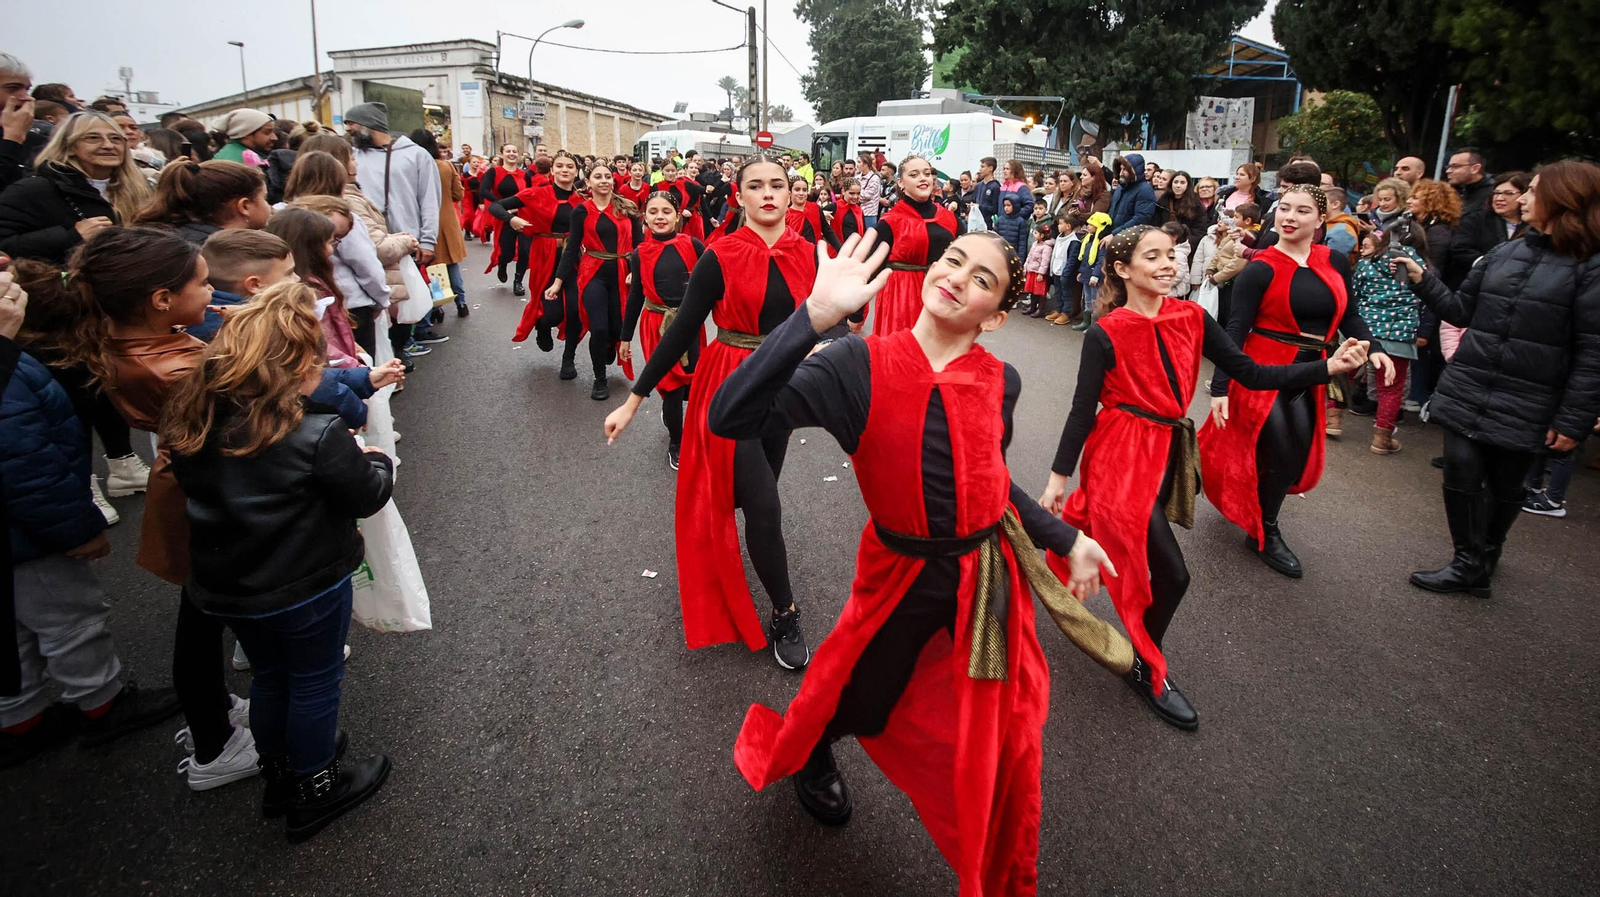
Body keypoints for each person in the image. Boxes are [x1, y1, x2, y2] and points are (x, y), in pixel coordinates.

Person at [714, 230, 1129, 892]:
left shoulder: (1003, 379)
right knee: (865, 695)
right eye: (953, 260)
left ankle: (995, 858)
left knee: (1007, 729)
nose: (961, 276)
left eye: (984, 279)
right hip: (899, 577)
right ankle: (814, 751)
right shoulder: (854, 363)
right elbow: (730, 415)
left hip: (987, 576)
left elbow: (988, 477)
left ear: (995, 316)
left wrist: (1064, 536)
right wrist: (812, 318)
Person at [1039, 225, 1366, 730]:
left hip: (1166, 448)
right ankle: (1147, 665)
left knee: (1148, 559)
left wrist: (1326, 370)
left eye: (1172, 254)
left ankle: (1112, 623)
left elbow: (1251, 373)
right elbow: (1082, 411)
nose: (1170, 264)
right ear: (1123, 270)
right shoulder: (1107, 331)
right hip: (1119, 457)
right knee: (1173, 573)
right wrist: (1059, 477)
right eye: (1154, 257)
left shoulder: (1192, 316)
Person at [162, 282, 394, 841]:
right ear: (293, 367)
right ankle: (315, 787)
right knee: (315, 681)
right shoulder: (316, 434)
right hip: (306, 583)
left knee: (271, 676)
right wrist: (379, 459)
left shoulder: (197, 421)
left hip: (227, 584)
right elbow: (365, 493)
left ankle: (278, 772)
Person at [45, 226, 258, 786]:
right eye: (205, 285)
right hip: (209, 496)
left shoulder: (140, 339)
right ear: (162, 300)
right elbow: (246, 410)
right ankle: (216, 743)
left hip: (187, 487)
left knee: (203, 614)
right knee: (203, 618)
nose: (213, 296)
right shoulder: (172, 368)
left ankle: (211, 710)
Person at [603, 158, 826, 670]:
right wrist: (634, 400)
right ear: (738, 196)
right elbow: (681, 330)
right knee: (766, 505)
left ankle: (742, 548)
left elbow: (828, 320)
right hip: (731, 385)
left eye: (777, 185)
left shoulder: (811, 254)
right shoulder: (719, 254)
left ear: (791, 195)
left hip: (785, 387)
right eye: (756, 186)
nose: (768, 194)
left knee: (758, 493)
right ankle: (785, 610)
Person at [1, 269, 184, 768]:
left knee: (16, 628)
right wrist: (77, 530)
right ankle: (103, 701)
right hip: (34, 537)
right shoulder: (10, 373)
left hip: (21, 534)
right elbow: (27, 469)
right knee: (70, 620)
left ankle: (20, 717)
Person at [1393, 161, 1600, 599]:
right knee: (1461, 472)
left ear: (1565, 200)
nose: (1522, 198)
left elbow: (1592, 351)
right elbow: (1461, 311)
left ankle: (1488, 552)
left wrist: (1573, 419)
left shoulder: (1590, 268)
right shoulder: (1504, 253)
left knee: (1508, 487)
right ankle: (1468, 562)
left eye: (1533, 191)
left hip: (1532, 396)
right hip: (1471, 384)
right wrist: (1424, 281)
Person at [1199, 184, 1394, 579]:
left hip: (1317, 370)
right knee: (1282, 451)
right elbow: (1234, 331)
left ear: (1321, 219)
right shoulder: (1260, 268)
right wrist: (1221, 386)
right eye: (1284, 208)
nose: (1289, 217)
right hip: (1262, 371)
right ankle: (1264, 533)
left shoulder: (1336, 261)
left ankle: (1250, 503)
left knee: (1293, 454)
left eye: (1302, 211)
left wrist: (1373, 347)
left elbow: (1349, 316)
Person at [281, 145, 401, 360]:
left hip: (306, 305)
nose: (330, 249)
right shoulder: (341, 215)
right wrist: (381, 300)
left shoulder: (284, 212)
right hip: (352, 303)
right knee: (360, 363)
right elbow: (366, 263)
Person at [618, 191, 706, 469]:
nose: (659, 217)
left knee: (693, 383)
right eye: (653, 212)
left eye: (666, 211)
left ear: (678, 216)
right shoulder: (639, 253)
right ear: (645, 218)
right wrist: (625, 337)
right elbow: (635, 298)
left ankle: (675, 418)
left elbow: (714, 284)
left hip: (690, 323)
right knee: (671, 386)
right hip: (657, 325)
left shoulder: (693, 245)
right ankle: (676, 442)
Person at [544, 163, 642, 399]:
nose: (604, 180)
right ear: (588, 182)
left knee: (617, 329)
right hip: (592, 273)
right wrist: (558, 282)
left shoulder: (627, 208)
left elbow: (640, 246)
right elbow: (572, 248)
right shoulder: (581, 211)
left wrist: (635, 270)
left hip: (621, 272)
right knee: (597, 327)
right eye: (597, 177)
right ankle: (600, 379)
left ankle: (609, 344)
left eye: (607, 176)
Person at [0, 111, 150, 264]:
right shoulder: (32, 190)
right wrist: (71, 237)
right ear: (69, 146)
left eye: (116, 139)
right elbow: (5, 246)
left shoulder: (140, 188)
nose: (108, 145)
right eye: (93, 138)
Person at [491, 150, 584, 350]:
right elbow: (496, 206)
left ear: (577, 172)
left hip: (573, 258)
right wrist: (511, 219)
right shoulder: (537, 193)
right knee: (552, 313)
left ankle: (569, 359)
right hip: (545, 256)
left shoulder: (582, 201)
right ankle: (542, 326)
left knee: (576, 308)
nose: (564, 170)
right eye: (559, 166)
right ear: (552, 170)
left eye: (570, 166)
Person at [1347, 228, 1424, 452]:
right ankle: (1382, 438)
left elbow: (1355, 294)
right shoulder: (1421, 269)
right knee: (1391, 387)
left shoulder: (1366, 264)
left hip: (1365, 329)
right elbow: (1426, 299)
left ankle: (1332, 418)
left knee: (1343, 374)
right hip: (1400, 333)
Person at [342, 103, 440, 274]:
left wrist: (427, 242)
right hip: (366, 242)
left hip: (409, 244)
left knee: (410, 298)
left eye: (352, 123)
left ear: (369, 124)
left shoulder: (416, 155)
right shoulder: (353, 157)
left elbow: (429, 200)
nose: (348, 129)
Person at [867, 156, 959, 336]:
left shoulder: (949, 218)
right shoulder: (890, 221)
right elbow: (871, 269)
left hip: (941, 295)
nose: (923, 178)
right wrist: (855, 314)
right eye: (914, 174)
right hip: (901, 299)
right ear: (900, 182)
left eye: (927, 173)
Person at [134, 160, 269, 244]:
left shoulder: (171, 238)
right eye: (264, 198)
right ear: (244, 206)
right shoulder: (222, 253)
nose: (270, 207)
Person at [411, 129, 470, 318]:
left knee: (432, 266)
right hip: (448, 220)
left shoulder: (413, 166)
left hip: (424, 222)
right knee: (452, 264)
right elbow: (458, 193)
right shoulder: (445, 167)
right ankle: (461, 302)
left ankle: (437, 306)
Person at [1444, 148, 1498, 289]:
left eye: (1455, 166)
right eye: (1448, 166)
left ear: (1475, 168)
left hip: (1476, 276)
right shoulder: (1461, 193)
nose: (1449, 171)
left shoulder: (1492, 197)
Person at [1, 55, 48, 193]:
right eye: (12, 88)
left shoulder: (38, 141)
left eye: (26, 90)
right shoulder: (16, 136)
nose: (26, 97)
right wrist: (12, 139)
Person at [786, 175, 840, 254]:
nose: (801, 193)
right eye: (797, 190)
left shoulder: (815, 208)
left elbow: (827, 231)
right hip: (795, 258)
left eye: (804, 190)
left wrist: (840, 249)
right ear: (789, 192)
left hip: (815, 255)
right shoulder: (785, 215)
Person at [1107, 154, 1155, 233]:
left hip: (1130, 237)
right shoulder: (1120, 189)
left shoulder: (1145, 190)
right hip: (1114, 233)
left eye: (1125, 169)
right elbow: (1112, 214)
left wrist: (1114, 235)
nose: (1121, 173)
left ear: (1135, 170)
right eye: (1120, 169)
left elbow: (1141, 219)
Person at [211, 109, 276, 167]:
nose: (274, 138)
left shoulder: (229, 154)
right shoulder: (244, 165)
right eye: (267, 132)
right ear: (246, 133)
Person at [856, 152, 885, 228]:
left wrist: (857, 191)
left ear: (865, 164)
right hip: (857, 212)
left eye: (859, 162)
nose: (857, 165)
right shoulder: (857, 177)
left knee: (869, 236)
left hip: (869, 214)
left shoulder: (874, 179)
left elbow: (867, 196)